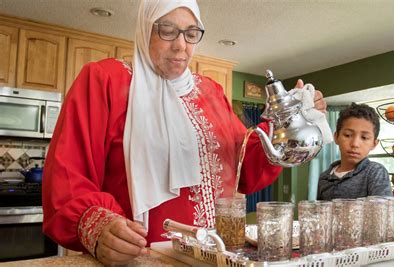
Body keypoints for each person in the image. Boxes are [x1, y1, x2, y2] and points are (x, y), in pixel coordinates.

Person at [42, 0, 327, 265]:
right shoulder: (104, 81)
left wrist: (289, 123)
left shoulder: (211, 92)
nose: (181, 45)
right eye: (167, 31)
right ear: (145, 29)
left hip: (216, 255)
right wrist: (99, 226)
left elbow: (246, 162)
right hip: (139, 259)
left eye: (191, 34)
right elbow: (67, 178)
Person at [317, 103, 391, 200]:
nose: (355, 144)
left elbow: (382, 212)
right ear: (336, 137)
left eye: (364, 137)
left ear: (374, 144)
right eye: (347, 135)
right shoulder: (324, 177)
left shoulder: (375, 172)